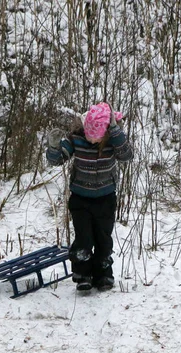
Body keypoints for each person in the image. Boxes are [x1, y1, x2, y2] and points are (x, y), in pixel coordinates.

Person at [46, 102, 134, 291]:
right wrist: (54, 147)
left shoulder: (113, 140)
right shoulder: (76, 138)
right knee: (84, 239)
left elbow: (127, 156)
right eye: (89, 135)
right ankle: (83, 274)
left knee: (103, 238)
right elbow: (57, 160)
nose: (91, 141)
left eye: (96, 138)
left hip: (105, 198)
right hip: (80, 199)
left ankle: (103, 274)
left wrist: (116, 132)